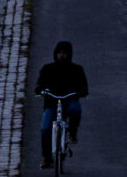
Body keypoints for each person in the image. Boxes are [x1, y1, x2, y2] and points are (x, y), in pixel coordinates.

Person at [38, 40, 89, 168]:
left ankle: (72, 132)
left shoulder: (77, 69)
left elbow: (84, 85)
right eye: (59, 53)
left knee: (76, 110)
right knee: (45, 129)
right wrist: (39, 89)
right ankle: (46, 157)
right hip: (51, 104)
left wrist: (82, 91)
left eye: (64, 53)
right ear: (55, 54)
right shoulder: (47, 69)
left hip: (69, 101)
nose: (61, 56)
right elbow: (40, 83)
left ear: (69, 55)